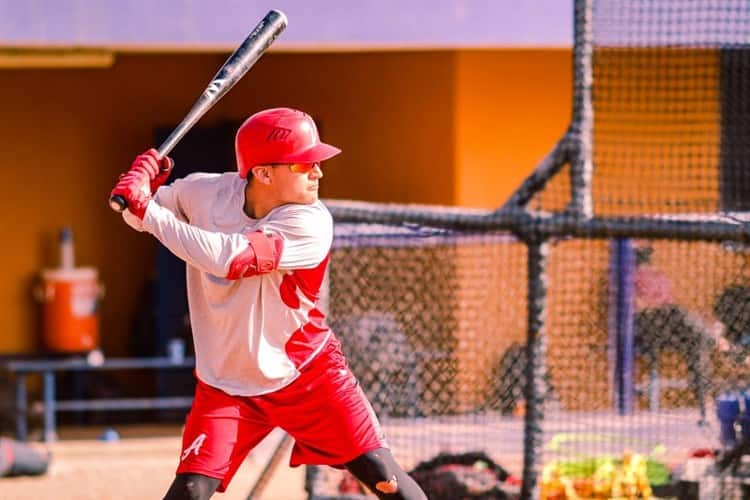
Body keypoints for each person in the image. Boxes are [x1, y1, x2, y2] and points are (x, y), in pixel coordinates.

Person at [109, 107, 427, 500]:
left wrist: (148, 208)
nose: (318, 172)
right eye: (305, 164)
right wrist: (137, 193)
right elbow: (142, 215)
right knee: (189, 491)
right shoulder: (203, 192)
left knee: (382, 474)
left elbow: (228, 259)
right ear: (262, 173)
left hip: (307, 374)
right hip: (226, 382)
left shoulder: (310, 223)